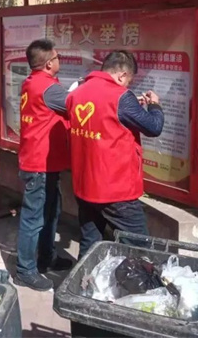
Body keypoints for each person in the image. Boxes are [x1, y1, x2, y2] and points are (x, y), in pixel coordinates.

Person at [66, 50, 164, 259]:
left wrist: (132, 105)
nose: (127, 86)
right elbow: (154, 127)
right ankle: (142, 280)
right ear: (122, 75)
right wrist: (155, 105)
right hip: (116, 190)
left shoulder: (77, 93)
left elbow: (105, 118)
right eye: (128, 81)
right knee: (140, 249)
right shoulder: (120, 97)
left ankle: (84, 279)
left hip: (85, 186)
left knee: (90, 244)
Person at [14, 39, 73, 292]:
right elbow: (78, 105)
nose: (60, 60)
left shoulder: (32, 82)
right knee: (34, 218)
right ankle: (25, 270)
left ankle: (46, 257)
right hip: (39, 163)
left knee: (50, 213)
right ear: (49, 63)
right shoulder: (49, 89)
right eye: (57, 57)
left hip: (43, 161)